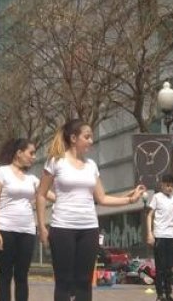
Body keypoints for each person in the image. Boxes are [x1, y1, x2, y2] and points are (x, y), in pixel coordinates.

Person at [35, 119, 145, 301]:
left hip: (89, 228)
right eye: (87, 137)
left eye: (91, 137)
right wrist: (41, 226)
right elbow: (41, 194)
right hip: (62, 228)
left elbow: (101, 198)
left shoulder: (91, 165)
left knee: (84, 282)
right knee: (64, 281)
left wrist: (129, 199)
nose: (91, 141)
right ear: (73, 138)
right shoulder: (56, 161)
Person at [0, 138, 40, 301]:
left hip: (27, 230)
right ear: (19, 153)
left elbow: (47, 195)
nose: (34, 157)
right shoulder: (2, 172)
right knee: (5, 274)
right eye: (31, 153)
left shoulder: (32, 178)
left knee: (22, 275)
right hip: (5, 229)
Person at [148, 174, 173, 301]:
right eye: (167, 185)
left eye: (171, 186)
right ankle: (160, 294)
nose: (169, 188)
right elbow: (149, 215)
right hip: (160, 236)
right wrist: (150, 233)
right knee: (160, 268)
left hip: (170, 236)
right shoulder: (157, 197)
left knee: (169, 267)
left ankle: (168, 294)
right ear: (162, 185)